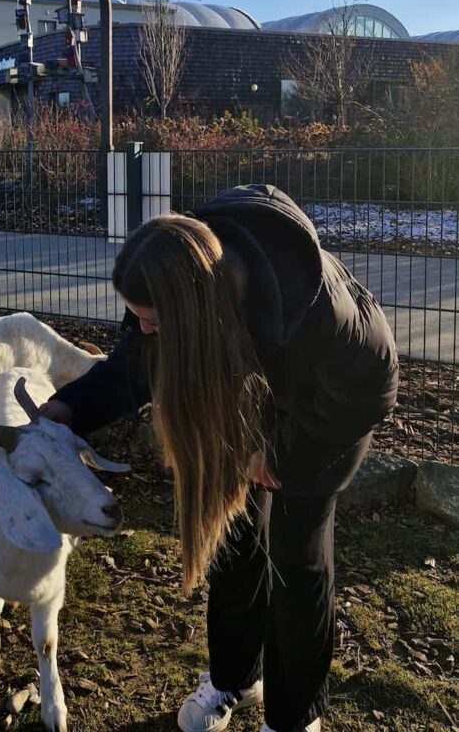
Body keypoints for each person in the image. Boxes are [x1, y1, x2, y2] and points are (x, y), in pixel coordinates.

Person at [39, 185, 398, 732]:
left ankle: (294, 715)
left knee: (296, 558)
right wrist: (67, 408)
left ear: (194, 309)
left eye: (153, 320)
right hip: (251, 402)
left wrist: (279, 456)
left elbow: (373, 387)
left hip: (327, 415)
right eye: (136, 318)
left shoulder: (320, 311)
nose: (144, 330)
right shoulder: (182, 278)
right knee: (234, 537)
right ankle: (235, 679)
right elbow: (134, 365)